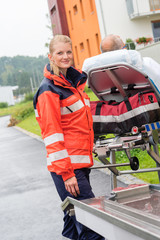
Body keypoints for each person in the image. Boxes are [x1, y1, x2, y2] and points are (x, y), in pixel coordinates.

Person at [33, 35, 105, 240]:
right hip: (68, 169)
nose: (65, 57)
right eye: (59, 53)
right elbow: (52, 135)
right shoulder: (49, 90)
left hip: (79, 164)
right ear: (51, 57)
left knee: (76, 223)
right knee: (93, 225)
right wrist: (67, 174)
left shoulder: (73, 84)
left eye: (68, 52)